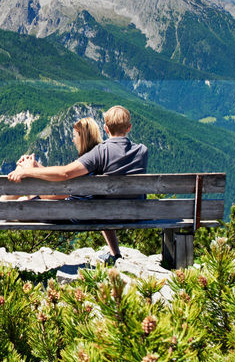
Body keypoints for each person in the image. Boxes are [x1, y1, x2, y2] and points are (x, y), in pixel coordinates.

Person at [8, 105, 148, 263]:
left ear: (106, 129)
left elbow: (66, 173)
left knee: (18, 204)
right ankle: (115, 254)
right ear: (129, 128)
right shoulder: (142, 151)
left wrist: (27, 172)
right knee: (104, 205)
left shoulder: (100, 152)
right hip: (133, 215)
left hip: (100, 215)